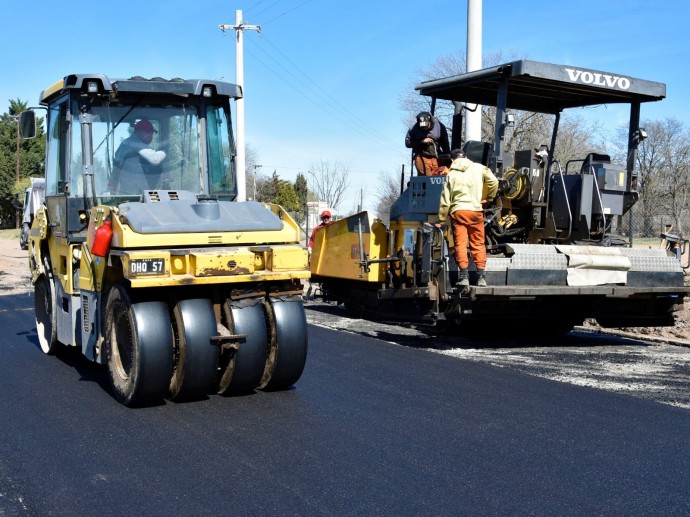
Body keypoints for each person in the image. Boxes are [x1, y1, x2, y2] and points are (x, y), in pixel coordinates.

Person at [437, 150, 498, 289]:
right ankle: (481, 277)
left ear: (452, 160)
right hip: (476, 210)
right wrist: (488, 197)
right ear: (465, 157)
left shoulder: (451, 174)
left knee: (461, 244)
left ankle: (464, 276)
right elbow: (494, 182)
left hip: (458, 212)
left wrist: (440, 220)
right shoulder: (479, 167)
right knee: (478, 243)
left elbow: (445, 200)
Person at [110, 119, 166, 194]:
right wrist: (164, 151)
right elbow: (155, 159)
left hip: (129, 193)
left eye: (152, 132)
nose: (150, 135)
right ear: (138, 131)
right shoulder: (133, 143)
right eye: (147, 131)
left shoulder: (127, 144)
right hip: (132, 196)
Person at [405, 111, 450, 176]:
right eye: (422, 126)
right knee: (427, 178)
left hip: (436, 157)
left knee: (438, 176)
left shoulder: (440, 127)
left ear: (431, 122)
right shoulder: (413, 129)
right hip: (421, 156)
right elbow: (407, 143)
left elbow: (445, 144)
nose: (424, 128)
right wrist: (421, 141)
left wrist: (447, 159)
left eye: (426, 126)